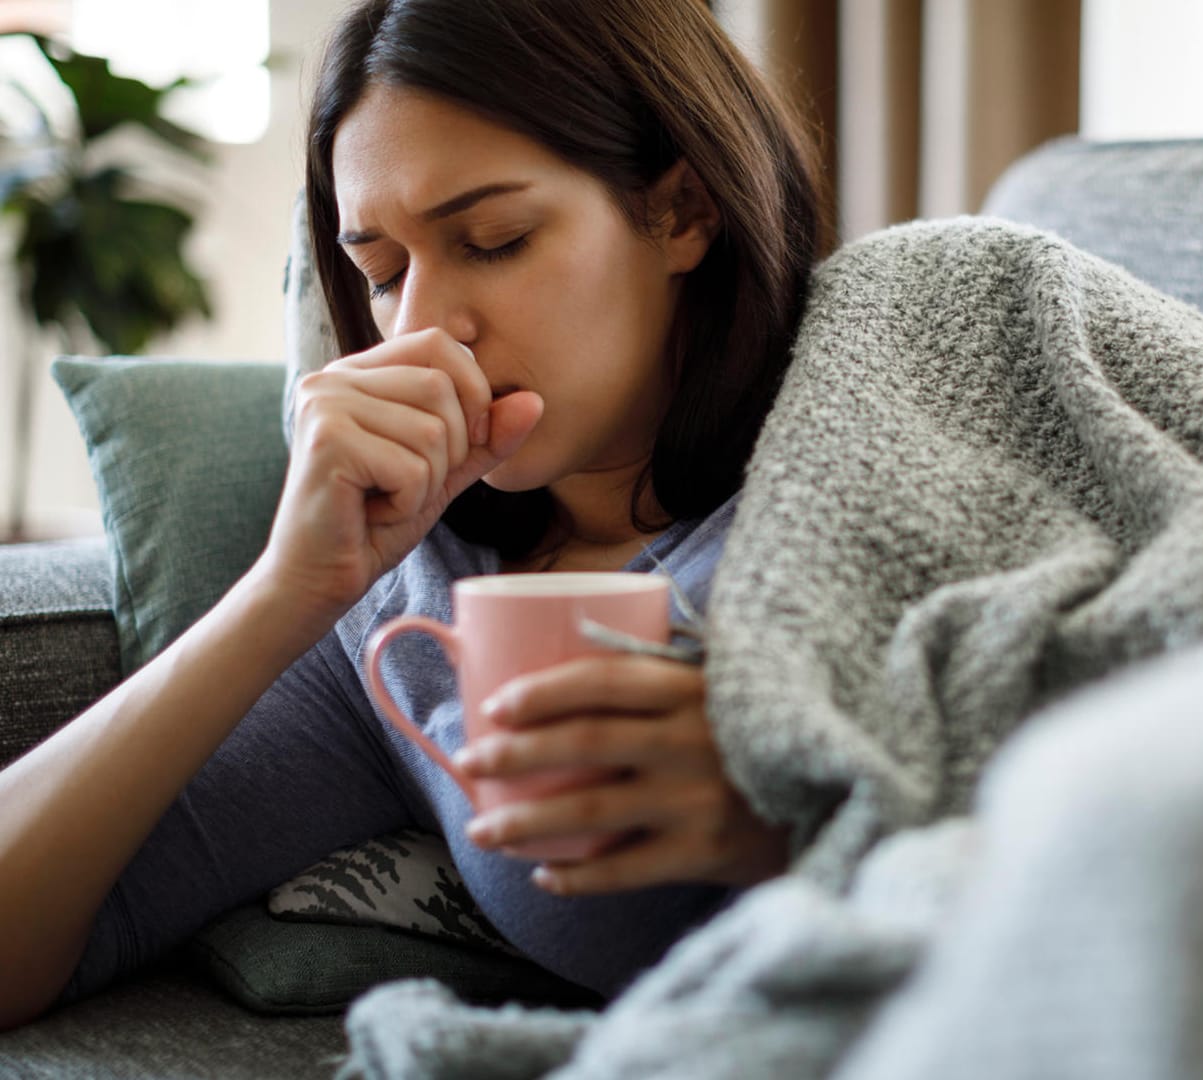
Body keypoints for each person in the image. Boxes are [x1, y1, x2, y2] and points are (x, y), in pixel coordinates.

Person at [0, 0, 827, 1029]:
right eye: (383, 273)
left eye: (494, 240)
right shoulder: (412, 619)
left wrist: (802, 819)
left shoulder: (861, 464)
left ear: (686, 212)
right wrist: (283, 593)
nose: (423, 326)